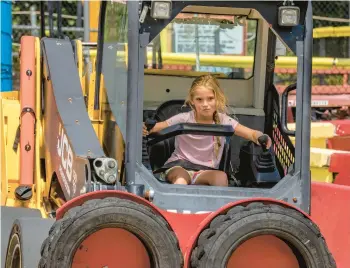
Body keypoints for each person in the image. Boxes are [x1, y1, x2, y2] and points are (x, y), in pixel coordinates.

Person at [143, 74, 272, 186]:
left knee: (221, 177)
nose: (205, 104)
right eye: (199, 99)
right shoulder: (183, 118)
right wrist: (145, 128)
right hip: (179, 167)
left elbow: (251, 134)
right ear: (192, 101)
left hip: (206, 171)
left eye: (210, 99)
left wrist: (261, 137)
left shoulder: (224, 121)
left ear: (218, 99)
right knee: (181, 180)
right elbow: (155, 128)